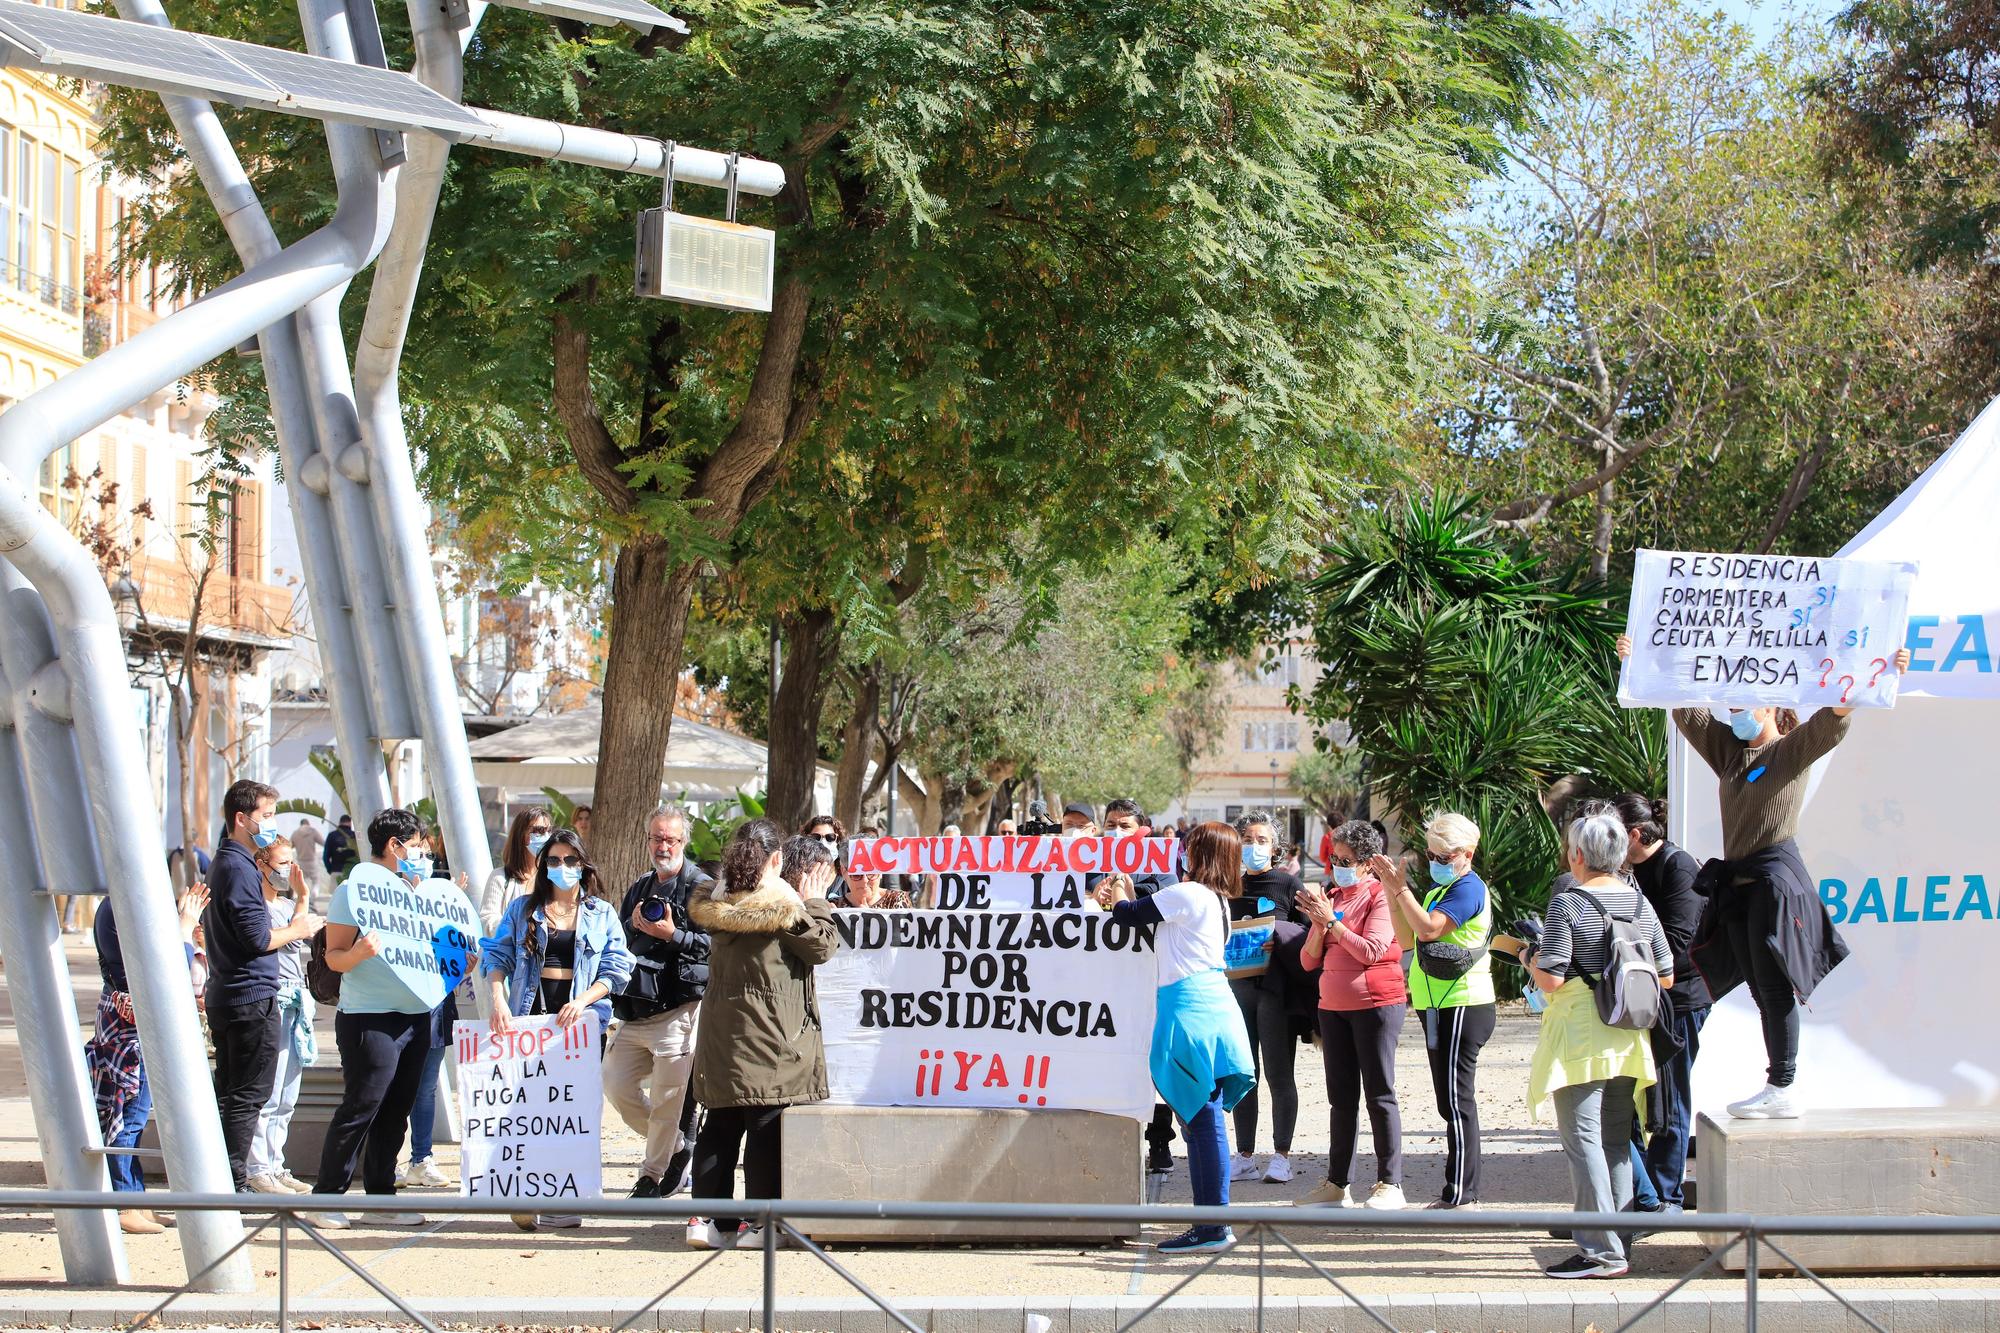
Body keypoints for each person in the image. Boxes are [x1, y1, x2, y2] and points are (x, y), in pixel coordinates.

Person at [1614, 636, 1907, 1116]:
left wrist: (1879, 671)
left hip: (1773, 877)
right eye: (1731, 706)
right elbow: (1684, 710)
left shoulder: (1787, 752)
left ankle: (1783, 1084)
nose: (1736, 714)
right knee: (1755, 984)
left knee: (1774, 986)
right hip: (1740, 885)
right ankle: (1778, 1082)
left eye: (1746, 705)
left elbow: (1832, 722)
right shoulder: (1730, 754)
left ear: (1772, 708)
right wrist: (1640, 660)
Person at [1526, 805, 1674, 1279]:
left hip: (1580, 1037)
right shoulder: (1638, 902)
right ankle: (1618, 1241)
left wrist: (1528, 956)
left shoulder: (1568, 902)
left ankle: (1600, 1252)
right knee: (1613, 1141)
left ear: (1577, 855)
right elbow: (1666, 976)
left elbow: (1549, 980)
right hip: (1629, 1034)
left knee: (1583, 1141)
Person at [684, 823, 840, 1251]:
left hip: (721, 1035)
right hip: (772, 1035)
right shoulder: (782, 904)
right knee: (765, 1127)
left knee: (720, 1123)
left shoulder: (717, 899)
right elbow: (823, 946)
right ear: (777, 860)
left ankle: (709, 1221)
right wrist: (815, 900)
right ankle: (761, 1224)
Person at [1110, 821, 1255, 1254]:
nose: (1182, 853)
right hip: (1214, 1005)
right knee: (1204, 1118)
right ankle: (1214, 1221)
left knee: (1202, 1119)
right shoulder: (1216, 900)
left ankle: (1212, 1226)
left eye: (1189, 847)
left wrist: (1119, 888)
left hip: (1189, 1010)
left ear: (1200, 854)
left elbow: (1128, 916)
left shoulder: (1188, 893)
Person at [483, 826, 633, 1230]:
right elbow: (496, 956)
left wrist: (583, 1001)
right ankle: (523, 1190)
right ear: (543, 864)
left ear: (583, 865)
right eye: (553, 860)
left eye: (570, 860)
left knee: (570, 1110)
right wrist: (498, 1000)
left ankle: (561, 1198)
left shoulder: (601, 913)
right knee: (526, 1109)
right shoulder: (522, 910)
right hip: (529, 1021)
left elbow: (618, 969)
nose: (562, 867)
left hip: (581, 1028)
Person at [312, 809, 454, 1229]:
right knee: (362, 1106)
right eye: (418, 848)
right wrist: (358, 954)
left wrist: (457, 962)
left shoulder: (419, 893)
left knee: (397, 1109)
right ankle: (325, 1198)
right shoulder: (351, 892)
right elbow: (333, 957)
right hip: (368, 1017)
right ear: (394, 846)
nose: (423, 857)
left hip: (416, 1015)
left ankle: (381, 1198)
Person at [1374, 811, 1495, 1210]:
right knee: (1448, 1101)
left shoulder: (1468, 889)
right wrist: (1394, 893)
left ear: (1467, 853)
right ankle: (1461, 1188)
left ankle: (1462, 1193)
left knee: (1458, 1101)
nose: (1437, 862)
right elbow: (1408, 938)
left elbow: (1429, 929)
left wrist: (1401, 889)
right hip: (1436, 1004)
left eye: (1445, 856)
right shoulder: (1437, 893)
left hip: (1463, 1001)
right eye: (1432, 854)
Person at [205, 779, 322, 1192]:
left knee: (238, 1092)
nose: (272, 824)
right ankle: (236, 1180)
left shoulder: (224, 862)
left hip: (232, 993)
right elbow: (257, 939)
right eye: (267, 816)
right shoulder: (238, 867)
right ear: (242, 819)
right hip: (249, 995)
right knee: (249, 1095)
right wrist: (297, 928)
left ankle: (230, 1178)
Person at [1295, 820, 1406, 1210]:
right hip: (1333, 1008)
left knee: (1379, 1094)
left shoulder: (1380, 895)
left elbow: (1372, 950)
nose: (1336, 866)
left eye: (1345, 860)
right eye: (1333, 858)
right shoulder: (1332, 895)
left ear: (1367, 863)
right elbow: (1308, 961)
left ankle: (1389, 1183)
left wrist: (1332, 923)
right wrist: (1318, 925)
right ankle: (1337, 1183)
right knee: (1341, 1099)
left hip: (1376, 1005)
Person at [607, 805, 714, 1199]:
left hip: (679, 1009)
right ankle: (679, 1147)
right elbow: (616, 942)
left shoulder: (701, 887)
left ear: (683, 841)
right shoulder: (639, 887)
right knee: (615, 1084)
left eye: (670, 839)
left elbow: (716, 944)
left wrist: (673, 934)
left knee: (669, 1102)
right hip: (636, 1007)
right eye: (656, 838)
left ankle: (651, 1177)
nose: (662, 846)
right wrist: (632, 928)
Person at [88, 884, 207, 1233]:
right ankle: (125, 1201)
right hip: (129, 1030)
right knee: (126, 1114)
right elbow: (167, 973)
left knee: (134, 1115)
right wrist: (183, 929)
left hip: (131, 1026)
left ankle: (135, 1198)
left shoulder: (122, 904)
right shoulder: (117, 908)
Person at [1610, 792, 1705, 1214]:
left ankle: (1667, 1194)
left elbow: (1682, 943)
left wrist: (1627, 956)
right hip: (1639, 995)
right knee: (1631, 1097)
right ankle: (1638, 1193)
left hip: (1678, 998)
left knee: (1670, 1096)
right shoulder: (1625, 872)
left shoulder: (1677, 866)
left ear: (1633, 834)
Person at [1228, 809, 1303, 1185]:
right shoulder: (1229, 885)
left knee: (1277, 1072)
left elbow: (1312, 933)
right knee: (1243, 1073)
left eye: (1261, 840)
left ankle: (1282, 1155)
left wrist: (1283, 934)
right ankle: (1244, 1155)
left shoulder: (1289, 885)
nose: (1253, 846)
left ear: (1275, 848)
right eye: (1247, 839)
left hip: (1275, 993)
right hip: (1236, 991)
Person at [245, 836, 318, 1195]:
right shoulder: (256, 906)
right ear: (261, 865)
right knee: (269, 1092)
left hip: (295, 1001)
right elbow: (285, 937)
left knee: (288, 1093)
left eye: (291, 863)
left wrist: (302, 898)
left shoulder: (287, 903)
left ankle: (276, 1164)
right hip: (272, 996)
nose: (287, 871)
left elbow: (297, 937)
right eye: (282, 864)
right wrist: (299, 918)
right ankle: (258, 1167)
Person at [480, 808, 552, 936]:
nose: (545, 836)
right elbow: (487, 921)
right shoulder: (500, 878)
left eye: (549, 830)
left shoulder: (552, 877)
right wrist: (522, 930)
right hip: (508, 953)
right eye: (538, 830)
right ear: (520, 835)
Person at [839, 859, 912, 909]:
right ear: (844, 872)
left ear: (880, 872)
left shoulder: (896, 899)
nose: (865, 880)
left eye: (871, 873)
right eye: (857, 874)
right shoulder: (834, 906)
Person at [290, 819, 326, 907]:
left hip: (301, 861)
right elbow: (323, 843)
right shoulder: (313, 831)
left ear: (300, 824)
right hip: (312, 861)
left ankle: (299, 899)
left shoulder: (295, 833)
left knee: (301, 881)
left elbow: (289, 846)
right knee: (316, 881)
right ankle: (312, 900)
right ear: (308, 824)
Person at [321, 815, 357, 880]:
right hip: (352, 874)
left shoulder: (331, 835)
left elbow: (325, 857)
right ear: (350, 823)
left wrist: (331, 870)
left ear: (340, 823)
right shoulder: (355, 836)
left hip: (336, 872)